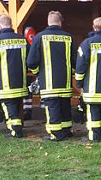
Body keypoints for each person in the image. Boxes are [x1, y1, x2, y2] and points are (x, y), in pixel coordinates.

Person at [26, 11, 76, 141]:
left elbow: (31, 61)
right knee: (65, 107)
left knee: (52, 108)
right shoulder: (68, 37)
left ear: (48, 21)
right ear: (60, 22)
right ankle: (67, 130)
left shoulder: (39, 37)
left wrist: (37, 72)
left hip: (48, 83)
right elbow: (75, 61)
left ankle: (55, 134)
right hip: (65, 82)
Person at [0, 14, 29, 138]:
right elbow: (30, 59)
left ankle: (15, 131)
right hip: (21, 83)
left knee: (10, 108)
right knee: (16, 106)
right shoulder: (23, 40)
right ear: (11, 24)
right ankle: (16, 128)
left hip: (4, 84)